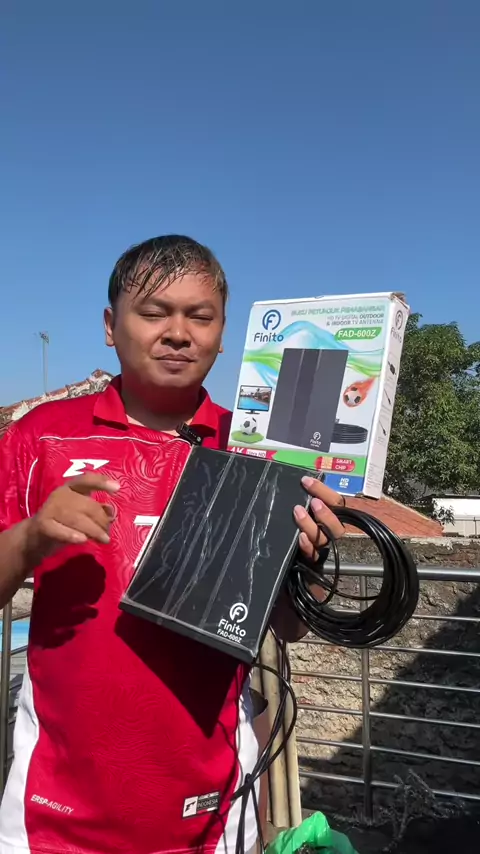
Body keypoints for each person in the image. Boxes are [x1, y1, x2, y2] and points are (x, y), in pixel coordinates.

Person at [0, 235, 345, 854]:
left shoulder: (260, 451)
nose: (178, 333)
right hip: (50, 814)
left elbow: (290, 628)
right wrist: (29, 538)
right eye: (154, 312)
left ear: (222, 333)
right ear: (111, 326)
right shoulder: (38, 437)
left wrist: (310, 559)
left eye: (199, 316)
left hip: (212, 814)